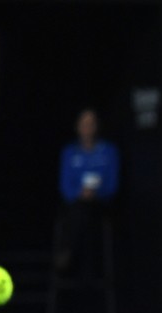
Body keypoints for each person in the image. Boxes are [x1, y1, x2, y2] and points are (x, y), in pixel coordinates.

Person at [55, 108, 120, 283]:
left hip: (101, 204)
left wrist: (96, 194)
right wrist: (80, 194)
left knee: (86, 212)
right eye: (84, 123)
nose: (87, 127)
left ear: (97, 126)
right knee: (80, 210)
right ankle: (87, 273)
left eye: (91, 123)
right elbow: (65, 186)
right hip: (75, 205)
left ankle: (67, 252)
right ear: (77, 127)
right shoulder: (69, 153)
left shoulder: (109, 151)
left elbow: (112, 184)